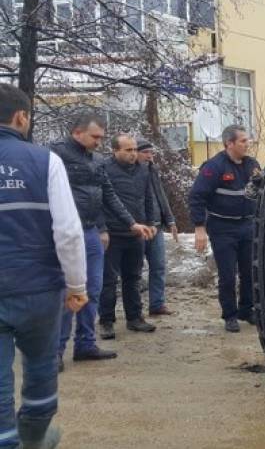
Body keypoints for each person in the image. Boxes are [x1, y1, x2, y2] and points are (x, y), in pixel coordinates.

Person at [0, 84, 88, 449]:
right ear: (21, 117)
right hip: (37, 288)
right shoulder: (44, 161)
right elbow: (67, 231)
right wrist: (77, 285)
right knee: (39, 364)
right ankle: (34, 437)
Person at [51, 115, 151, 368]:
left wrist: (131, 223)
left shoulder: (97, 161)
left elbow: (109, 195)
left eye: (102, 138)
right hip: (64, 233)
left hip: (91, 232)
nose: (99, 143)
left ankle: (85, 344)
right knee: (67, 292)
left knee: (92, 290)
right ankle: (55, 351)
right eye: (95, 137)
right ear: (77, 132)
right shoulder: (55, 156)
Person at [189, 125, 260, 333]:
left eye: (248, 140)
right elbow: (197, 197)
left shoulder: (252, 164)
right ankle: (229, 315)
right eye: (243, 141)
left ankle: (246, 310)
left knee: (249, 272)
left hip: (247, 225)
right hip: (223, 228)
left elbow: (259, 190)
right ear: (229, 143)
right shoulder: (214, 167)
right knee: (228, 274)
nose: (248, 144)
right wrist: (199, 227)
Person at [99, 134, 157, 339]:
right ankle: (106, 321)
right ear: (115, 151)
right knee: (108, 280)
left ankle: (135, 318)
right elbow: (101, 201)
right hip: (113, 234)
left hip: (137, 233)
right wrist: (102, 228)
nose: (133, 154)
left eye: (134, 150)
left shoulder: (143, 169)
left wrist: (151, 222)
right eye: (128, 150)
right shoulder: (104, 169)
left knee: (133, 277)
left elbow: (148, 197)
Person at [137, 139, 178, 317]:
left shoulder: (152, 170)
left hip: (156, 226)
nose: (150, 156)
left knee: (159, 266)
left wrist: (170, 220)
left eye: (151, 153)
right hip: (137, 228)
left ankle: (157, 304)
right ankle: (134, 309)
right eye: (146, 153)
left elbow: (160, 196)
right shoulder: (128, 173)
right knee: (134, 270)